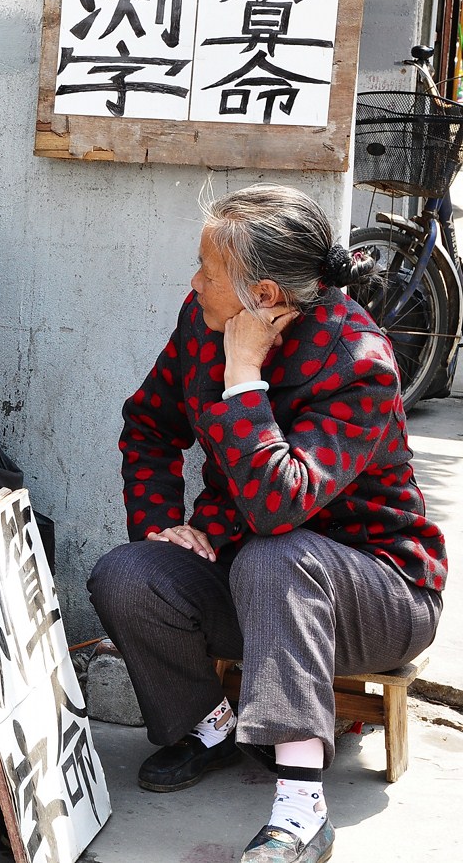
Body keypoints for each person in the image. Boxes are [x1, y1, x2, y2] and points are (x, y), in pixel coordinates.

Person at [88, 184, 446, 863]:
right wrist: (164, 524)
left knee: (275, 554)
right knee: (128, 575)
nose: (195, 283)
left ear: (267, 297)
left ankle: (301, 808)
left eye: (210, 272)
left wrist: (244, 376)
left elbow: (279, 507)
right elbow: (149, 426)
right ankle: (210, 723)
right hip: (252, 568)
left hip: (377, 594)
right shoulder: (201, 324)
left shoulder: (357, 363)